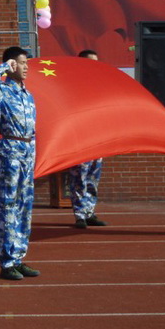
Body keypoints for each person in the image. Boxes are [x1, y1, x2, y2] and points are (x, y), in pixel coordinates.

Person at [0, 46, 39, 281]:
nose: (26, 67)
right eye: (22, 63)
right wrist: (5, 66)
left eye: (26, 63)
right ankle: (6, 261)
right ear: (12, 65)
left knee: (25, 205)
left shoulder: (28, 94)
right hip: (11, 151)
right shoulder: (1, 90)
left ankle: (18, 257)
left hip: (28, 150)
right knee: (9, 205)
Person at [66, 50, 107, 229]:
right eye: (91, 62)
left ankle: (90, 212)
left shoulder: (99, 85)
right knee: (79, 178)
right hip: (80, 139)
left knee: (93, 177)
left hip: (97, 138)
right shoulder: (73, 85)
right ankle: (80, 214)